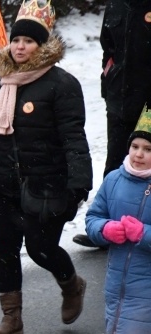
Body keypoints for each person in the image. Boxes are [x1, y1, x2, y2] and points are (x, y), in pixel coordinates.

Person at [0, 0, 92, 334]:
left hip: (45, 185)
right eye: (16, 40)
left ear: (42, 45)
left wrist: (78, 187)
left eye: (29, 41)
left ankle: (71, 283)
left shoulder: (63, 85)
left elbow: (74, 138)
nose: (20, 46)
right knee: (5, 249)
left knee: (40, 248)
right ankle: (11, 319)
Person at [86, 106, 151, 334]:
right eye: (135, 147)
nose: (139, 155)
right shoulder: (113, 180)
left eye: (148, 149)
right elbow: (93, 219)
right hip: (125, 286)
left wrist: (144, 233)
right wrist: (106, 229)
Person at [73, 0, 151, 248]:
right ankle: (109, 229)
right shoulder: (116, 5)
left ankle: (143, 229)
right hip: (120, 100)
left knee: (146, 163)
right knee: (116, 164)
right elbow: (108, 49)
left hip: (148, 102)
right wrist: (108, 83)